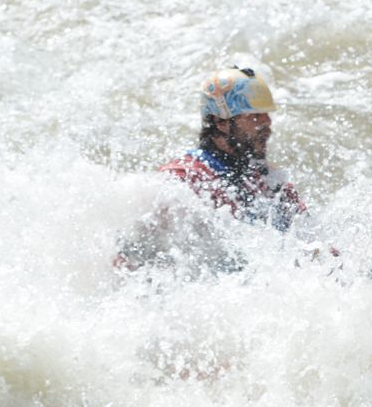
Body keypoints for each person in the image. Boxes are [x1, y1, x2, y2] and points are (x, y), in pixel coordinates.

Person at [118, 61, 309, 271]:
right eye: (254, 116)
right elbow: (126, 259)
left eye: (267, 114)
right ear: (221, 122)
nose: (266, 123)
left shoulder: (270, 180)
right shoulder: (181, 180)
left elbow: (306, 236)